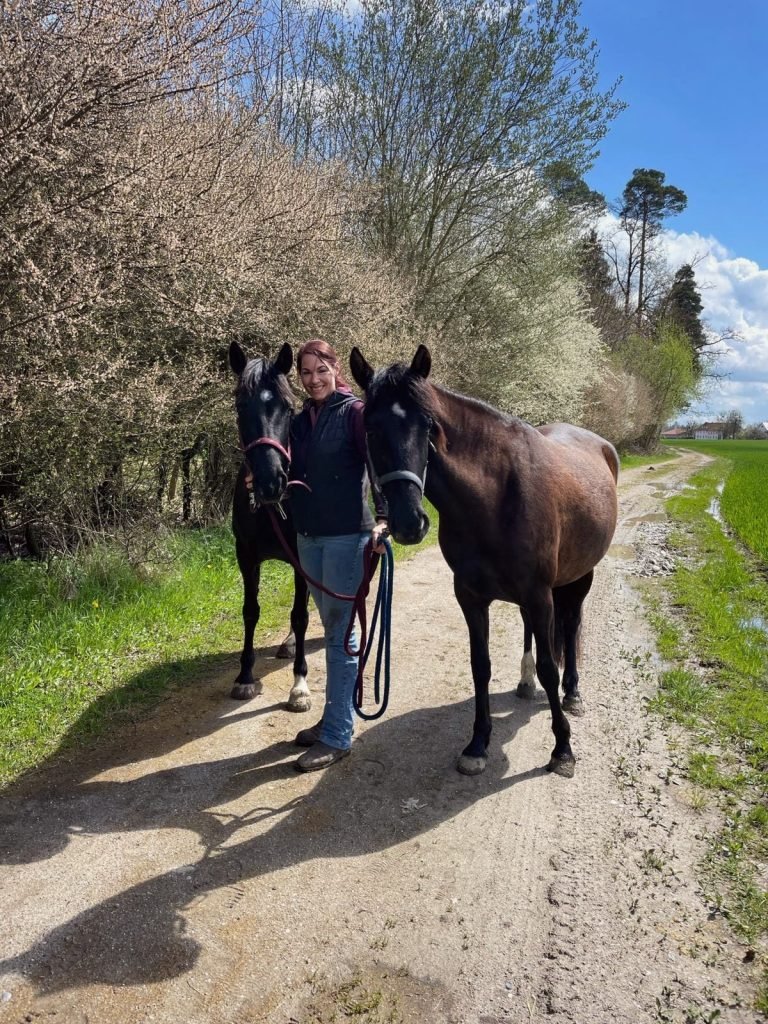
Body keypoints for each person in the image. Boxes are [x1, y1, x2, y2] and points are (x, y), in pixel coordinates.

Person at [288, 338, 388, 771]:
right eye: (305, 373)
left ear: (334, 370)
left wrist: (384, 519)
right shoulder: (300, 420)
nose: (313, 380)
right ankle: (333, 717)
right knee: (330, 629)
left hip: (348, 538)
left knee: (341, 634)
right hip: (308, 537)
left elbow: (379, 466)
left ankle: (337, 735)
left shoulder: (356, 414)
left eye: (320, 370)